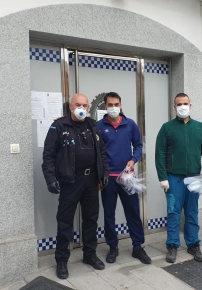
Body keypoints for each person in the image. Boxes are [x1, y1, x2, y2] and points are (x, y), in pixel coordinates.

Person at [42, 93, 109, 279]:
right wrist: (50, 178)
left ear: (88, 107)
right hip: (70, 181)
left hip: (91, 181)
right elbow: (48, 156)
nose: (82, 108)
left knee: (91, 219)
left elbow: (101, 152)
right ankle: (62, 260)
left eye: (85, 105)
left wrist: (103, 173)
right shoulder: (59, 126)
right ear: (70, 106)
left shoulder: (93, 126)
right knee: (65, 222)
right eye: (78, 104)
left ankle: (90, 254)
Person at [155, 93, 202, 263]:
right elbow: (160, 153)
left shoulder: (199, 127)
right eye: (179, 104)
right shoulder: (167, 128)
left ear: (190, 105)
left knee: (192, 212)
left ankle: (193, 244)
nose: (182, 106)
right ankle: (172, 245)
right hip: (174, 178)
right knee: (173, 212)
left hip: (195, 178)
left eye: (185, 103)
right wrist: (162, 177)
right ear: (174, 107)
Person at [97, 92, 151, 265]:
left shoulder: (130, 124)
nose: (114, 108)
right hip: (108, 179)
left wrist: (133, 160)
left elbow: (139, 145)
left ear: (121, 105)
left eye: (116, 104)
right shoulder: (98, 126)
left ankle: (137, 247)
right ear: (105, 106)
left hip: (128, 178)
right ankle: (113, 246)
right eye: (110, 105)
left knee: (133, 212)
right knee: (109, 215)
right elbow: (96, 153)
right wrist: (99, 176)